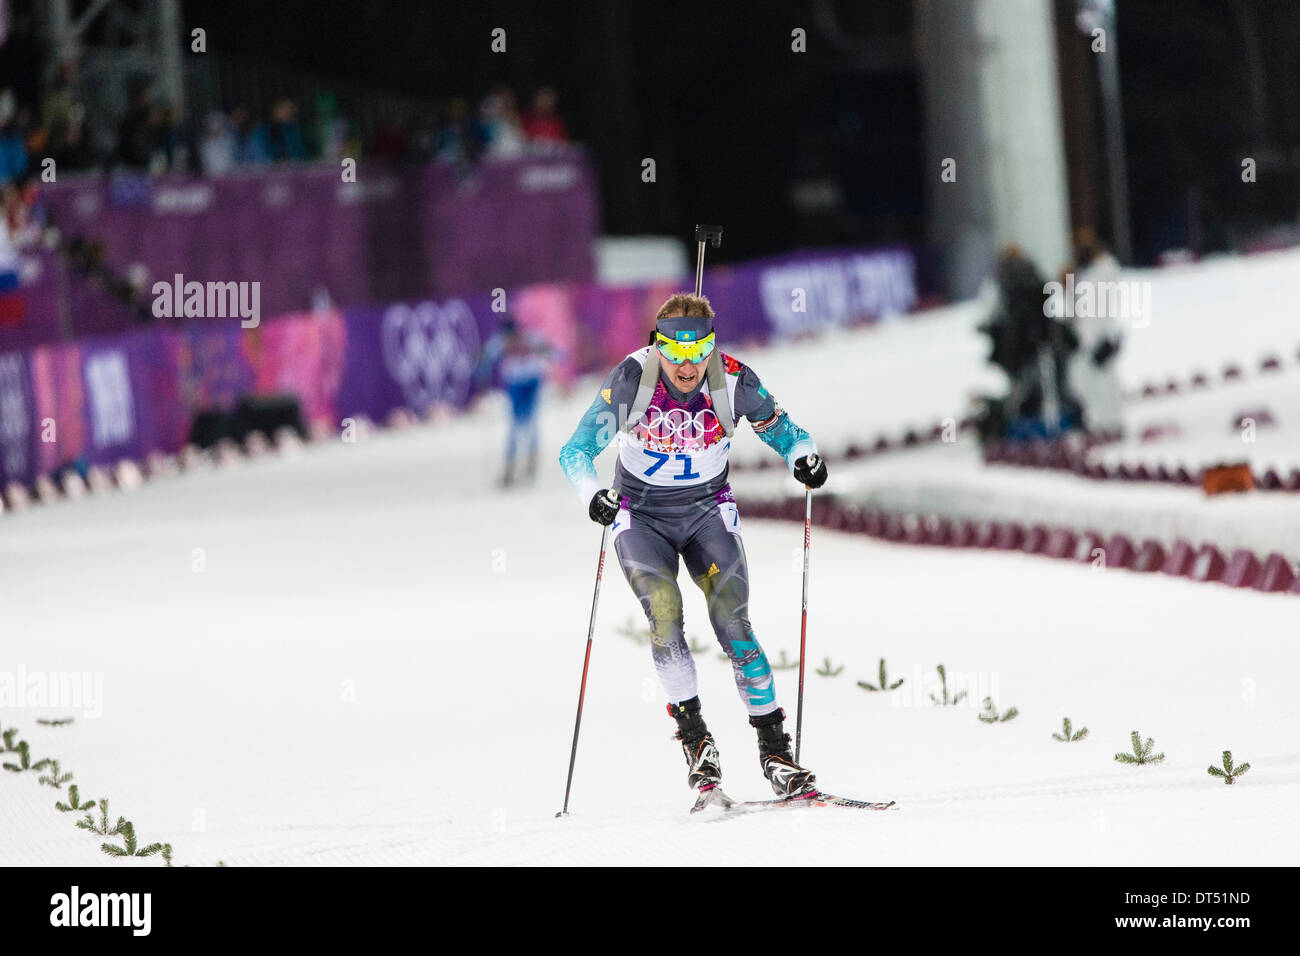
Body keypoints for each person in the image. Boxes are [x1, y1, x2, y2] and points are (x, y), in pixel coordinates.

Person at [558, 293, 828, 799]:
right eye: (674, 353)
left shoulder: (734, 380)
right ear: (657, 345)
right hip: (641, 516)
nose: (686, 366)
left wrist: (804, 458)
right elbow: (576, 451)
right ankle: (697, 742)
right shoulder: (631, 380)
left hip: (707, 513)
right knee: (664, 612)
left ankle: (776, 752)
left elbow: (791, 433)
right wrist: (593, 495)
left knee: (733, 622)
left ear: (711, 347)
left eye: (697, 352)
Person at [475, 316, 552, 487]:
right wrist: (481, 372)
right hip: (515, 384)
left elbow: (552, 351)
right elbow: (484, 359)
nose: (508, 339)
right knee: (514, 427)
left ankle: (531, 463)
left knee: (531, 425)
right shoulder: (500, 341)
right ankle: (509, 468)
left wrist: (549, 355)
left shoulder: (531, 338)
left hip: (532, 382)